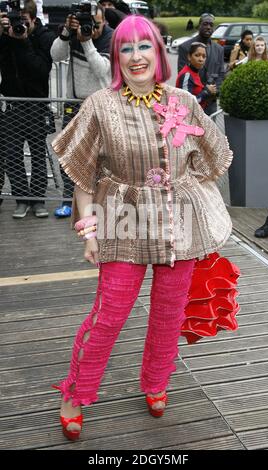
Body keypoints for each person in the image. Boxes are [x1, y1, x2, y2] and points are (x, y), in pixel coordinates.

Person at [51, 15, 236, 441]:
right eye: (127, 48)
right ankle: (75, 394)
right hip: (122, 218)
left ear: (159, 51)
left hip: (180, 223)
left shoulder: (184, 103)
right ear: (117, 57)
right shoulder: (100, 105)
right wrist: (90, 230)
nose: (137, 57)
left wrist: (201, 212)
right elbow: (81, 177)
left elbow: (209, 162)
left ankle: (156, 381)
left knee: (169, 314)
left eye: (145, 46)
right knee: (109, 314)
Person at [50, 3, 113, 218]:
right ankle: (68, 199)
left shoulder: (110, 38)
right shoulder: (75, 33)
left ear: (104, 21)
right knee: (69, 155)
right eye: (87, 23)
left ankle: (100, 201)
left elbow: (102, 70)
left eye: (95, 24)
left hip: (101, 106)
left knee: (101, 158)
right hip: (75, 104)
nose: (90, 28)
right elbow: (55, 56)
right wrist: (67, 32)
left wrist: (87, 44)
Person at [0, 0, 55, 218]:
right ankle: (22, 199)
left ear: (33, 19)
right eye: (16, 21)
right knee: (12, 155)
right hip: (13, 105)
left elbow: (40, 69)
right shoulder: (6, 38)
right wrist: (4, 35)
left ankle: (38, 200)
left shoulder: (44, 38)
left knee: (38, 155)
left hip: (36, 106)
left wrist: (23, 42)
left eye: (24, 21)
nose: (19, 26)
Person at [178, 13, 225, 115]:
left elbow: (221, 73)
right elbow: (183, 76)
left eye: (211, 25)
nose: (208, 27)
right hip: (192, 104)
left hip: (211, 104)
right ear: (199, 26)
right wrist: (204, 93)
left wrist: (214, 92)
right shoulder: (185, 47)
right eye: (205, 24)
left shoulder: (219, 49)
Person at [176, 42, 217, 112]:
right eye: (197, 55)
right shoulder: (187, 75)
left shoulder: (195, 72)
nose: (201, 59)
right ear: (189, 57)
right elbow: (186, 103)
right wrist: (206, 92)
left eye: (204, 56)